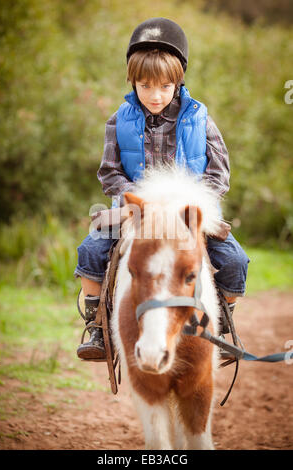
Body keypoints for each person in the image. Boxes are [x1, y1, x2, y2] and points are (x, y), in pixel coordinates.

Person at [74, 18, 249, 361]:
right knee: (90, 251)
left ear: (178, 81)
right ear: (133, 81)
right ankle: (97, 327)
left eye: (164, 86)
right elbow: (110, 172)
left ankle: (223, 325)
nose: (155, 95)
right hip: (137, 211)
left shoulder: (200, 120)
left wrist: (193, 203)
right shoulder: (119, 120)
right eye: (145, 86)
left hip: (187, 213)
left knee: (234, 260)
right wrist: (135, 201)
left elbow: (218, 174)